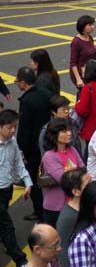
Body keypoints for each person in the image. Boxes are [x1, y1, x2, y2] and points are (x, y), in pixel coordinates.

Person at [14, 67, 51, 220]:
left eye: (18, 81)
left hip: (33, 148)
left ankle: (39, 211)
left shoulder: (27, 101)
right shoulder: (45, 93)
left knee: (35, 180)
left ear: (23, 82)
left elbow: (24, 130)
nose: (17, 84)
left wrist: (22, 151)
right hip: (48, 142)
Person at [0, 110, 32, 267]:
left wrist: (28, 182)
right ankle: (20, 260)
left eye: (15, 127)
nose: (13, 131)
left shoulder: (12, 141)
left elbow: (19, 164)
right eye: (9, 127)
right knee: (7, 227)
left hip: (7, 188)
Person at [41, 118, 84, 227]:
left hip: (74, 204)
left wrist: (75, 174)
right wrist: (78, 174)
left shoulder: (72, 150)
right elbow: (63, 179)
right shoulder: (49, 156)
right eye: (64, 131)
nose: (69, 133)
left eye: (69, 130)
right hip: (56, 208)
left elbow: (84, 170)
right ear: (54, 135)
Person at [55, 167, 89, 267]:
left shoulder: (89, 206)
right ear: (76, 191)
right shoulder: (67, 217)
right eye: (88, 184)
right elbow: (62, 252)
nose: (93, 185)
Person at [69, 15, 96, 91]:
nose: (93, 27)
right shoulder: (76, 42)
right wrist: (78, 79)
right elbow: (73, 63)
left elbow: (95, 55)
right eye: (90, 25)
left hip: (91, 73)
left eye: (92, 24)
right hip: (81, 74)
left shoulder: (90, 38)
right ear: (83, 27)